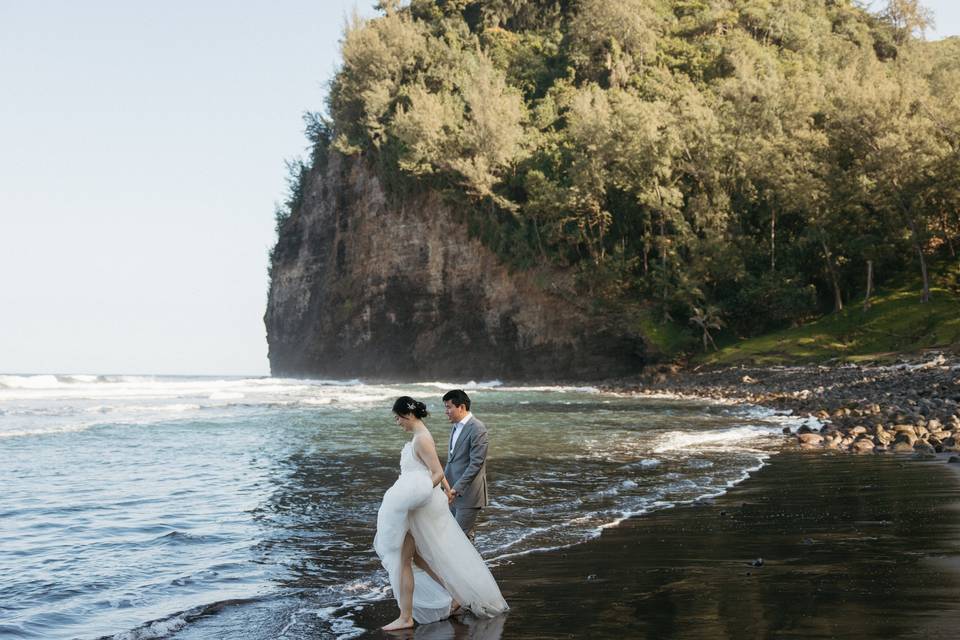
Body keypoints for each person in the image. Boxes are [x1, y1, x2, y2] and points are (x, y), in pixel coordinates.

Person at [374, 396, 507, 631]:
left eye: (397, 417)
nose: (397, 422)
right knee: (418, 558)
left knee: (405, 560)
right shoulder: (419, 437)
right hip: (413, 506)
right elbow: (436, 470)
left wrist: (414, 498)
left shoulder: (421, 439)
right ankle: (456, 595)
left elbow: (433, 473)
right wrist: (446, 488)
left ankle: (406, 617)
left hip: (415, 508)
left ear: (408, 414)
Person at [442, 389, 488, 541]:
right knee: (462, 537)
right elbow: (453, 461)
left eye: (449, 407)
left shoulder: (477, 428)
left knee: (459, 539)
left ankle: (468, 565)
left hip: (468, 494)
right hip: (451, 492)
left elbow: (476, 463)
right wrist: (445, 485)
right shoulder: (455, 426)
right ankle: (470, 565)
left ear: (461, 407)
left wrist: (456, 488)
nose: (446, 411)